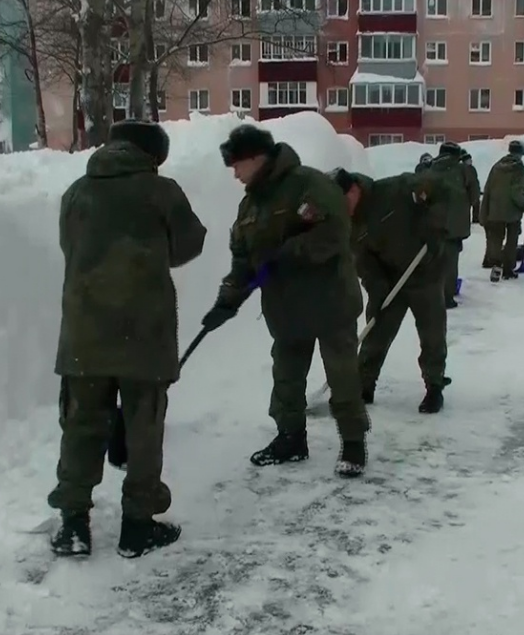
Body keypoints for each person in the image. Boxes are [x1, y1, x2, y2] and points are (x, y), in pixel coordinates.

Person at [48, 119, 207, 559]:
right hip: (144, 333)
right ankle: (137, 527)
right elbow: (189, 244)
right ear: (151, 155)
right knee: (143, 430)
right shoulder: (162, 191)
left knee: (81, 427)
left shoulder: (77, 192)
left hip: (84, 335)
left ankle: (73, 527)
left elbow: (71, 247)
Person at [201, 124, 370, 478]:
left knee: (342, 375)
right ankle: (290, 438)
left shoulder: (309, 184)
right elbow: (243, 261)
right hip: (286, 309)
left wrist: (288, 253)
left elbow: (334, 233)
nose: (234, 174)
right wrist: (226, 301)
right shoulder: (249, 205)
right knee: (287, 377)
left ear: (256, 158)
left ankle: (353, 443)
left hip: (330, 301)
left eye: (237, 165)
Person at [331, 167, 452, 414]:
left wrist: (434, 227)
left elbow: (440, 189)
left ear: (353, 190)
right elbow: (361, 260)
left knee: (432, 334)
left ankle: (434, 386)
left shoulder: (395, 189)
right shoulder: (349, 222)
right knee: (376, 330)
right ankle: (363, 385)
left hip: (424, 271)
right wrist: (377, 286)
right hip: (389, 279)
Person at [419, 142, 481, 309]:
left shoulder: (429, 170)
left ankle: (431, 293)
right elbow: (475, 196)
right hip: (454, 224)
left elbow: (420, 195)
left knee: (434, 259)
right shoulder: (463, 170)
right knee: (450, 260)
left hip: (432, 223)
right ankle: (446, 296)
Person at [480, 139, 524, 279]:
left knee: (496, 241)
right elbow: (516, 192)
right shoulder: (519, 169)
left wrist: (485, 210)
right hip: (512, 213)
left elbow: (488, 189)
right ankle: (508, 270)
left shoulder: (496, 166)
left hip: (495, 211)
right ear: (522, 153)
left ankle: (496, 267)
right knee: (512, 241)